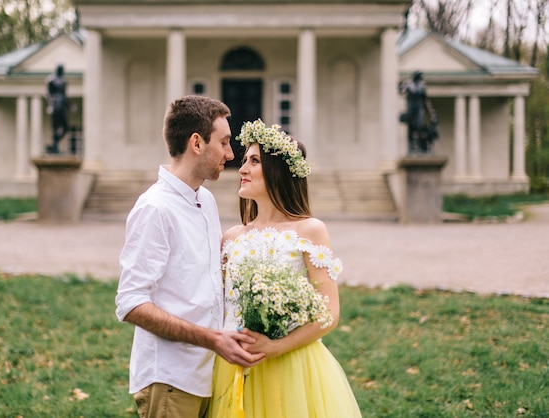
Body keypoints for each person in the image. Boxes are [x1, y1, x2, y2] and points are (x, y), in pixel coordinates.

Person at [115, 96, 265, 418]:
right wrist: (213, 339)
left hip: (210, 375)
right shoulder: (154, 209)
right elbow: (130, 302)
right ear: (196, 143)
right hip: (171, 379)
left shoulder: (206, 200)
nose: (230, 153)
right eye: (224, 142)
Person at [209, 119, 362, 417]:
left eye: (254, 161)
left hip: (291, 367)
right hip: (232, 367)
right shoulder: (230, 238)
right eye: (244, 160)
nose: (241, 169)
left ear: (278, 171)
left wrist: (275, 346)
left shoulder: (310, 230)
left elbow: (329, 314)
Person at [399, 70, 439, 154]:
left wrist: (431, 111)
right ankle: (411, 147)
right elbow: (401, 92)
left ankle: (421, 147)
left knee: (419, 127)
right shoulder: (409, 84)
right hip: (411, 108)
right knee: (411, 128)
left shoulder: (421, 86)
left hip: (418, 109)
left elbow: (425, 99)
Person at [46, 64, 69, 154]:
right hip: (56, 105)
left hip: (61, 105)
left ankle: (55, 144)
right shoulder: (52, 80)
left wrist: (70, 106)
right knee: (55, 127)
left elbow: (65, 96)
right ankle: (54, 146)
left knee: (65, 127)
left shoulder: (64, 82)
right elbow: (48, 94)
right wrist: (50, 105)